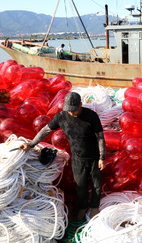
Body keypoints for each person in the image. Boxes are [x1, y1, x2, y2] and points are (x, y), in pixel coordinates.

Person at [21, 92, 106, 221]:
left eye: (74, 110)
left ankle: (94, 206)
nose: (71, 113)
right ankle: (83, 207)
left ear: (81, 105)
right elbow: (45, 130)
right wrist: (31, 144)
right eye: (69, 110)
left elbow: (100, 138)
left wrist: (102, 157)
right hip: (78, 158)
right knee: (80, 185)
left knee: (96, 184)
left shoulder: (91, 116)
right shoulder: (62, 116)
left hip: (94, 157)